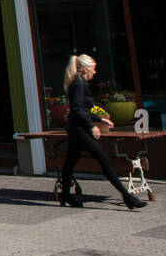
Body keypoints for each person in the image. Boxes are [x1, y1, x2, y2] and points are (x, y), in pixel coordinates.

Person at [59, 54, 146, 209]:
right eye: (93, 69)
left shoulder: (79, 82)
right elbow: (78, 109)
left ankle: (65, 194)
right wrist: (91, 126)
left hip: (76, 128)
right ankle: (127, 197)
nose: (95, 72)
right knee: (103, 160)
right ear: (85, 69)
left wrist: (99, 120)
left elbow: (81, 109)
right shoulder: (79, 83)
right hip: (80, 130)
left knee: (70, 162)